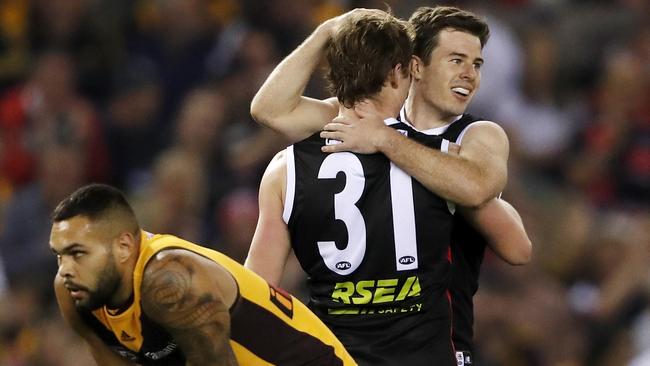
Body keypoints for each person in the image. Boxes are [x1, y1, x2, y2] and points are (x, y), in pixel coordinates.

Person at [248, 6, 531, 365]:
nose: (469, 74)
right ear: (412, 67)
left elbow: (256, 289)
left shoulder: (289, 163)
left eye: (476, 64)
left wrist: (385, 139)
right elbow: (514, 241)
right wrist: (328, 30)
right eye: (456, 60)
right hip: (433, 350)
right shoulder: (442, 154)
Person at [50, 183, 356, 366]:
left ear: (123, 246)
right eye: (59, 255)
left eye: (78, 254)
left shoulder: (170, 280)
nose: (65, 269)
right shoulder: (74, 291)